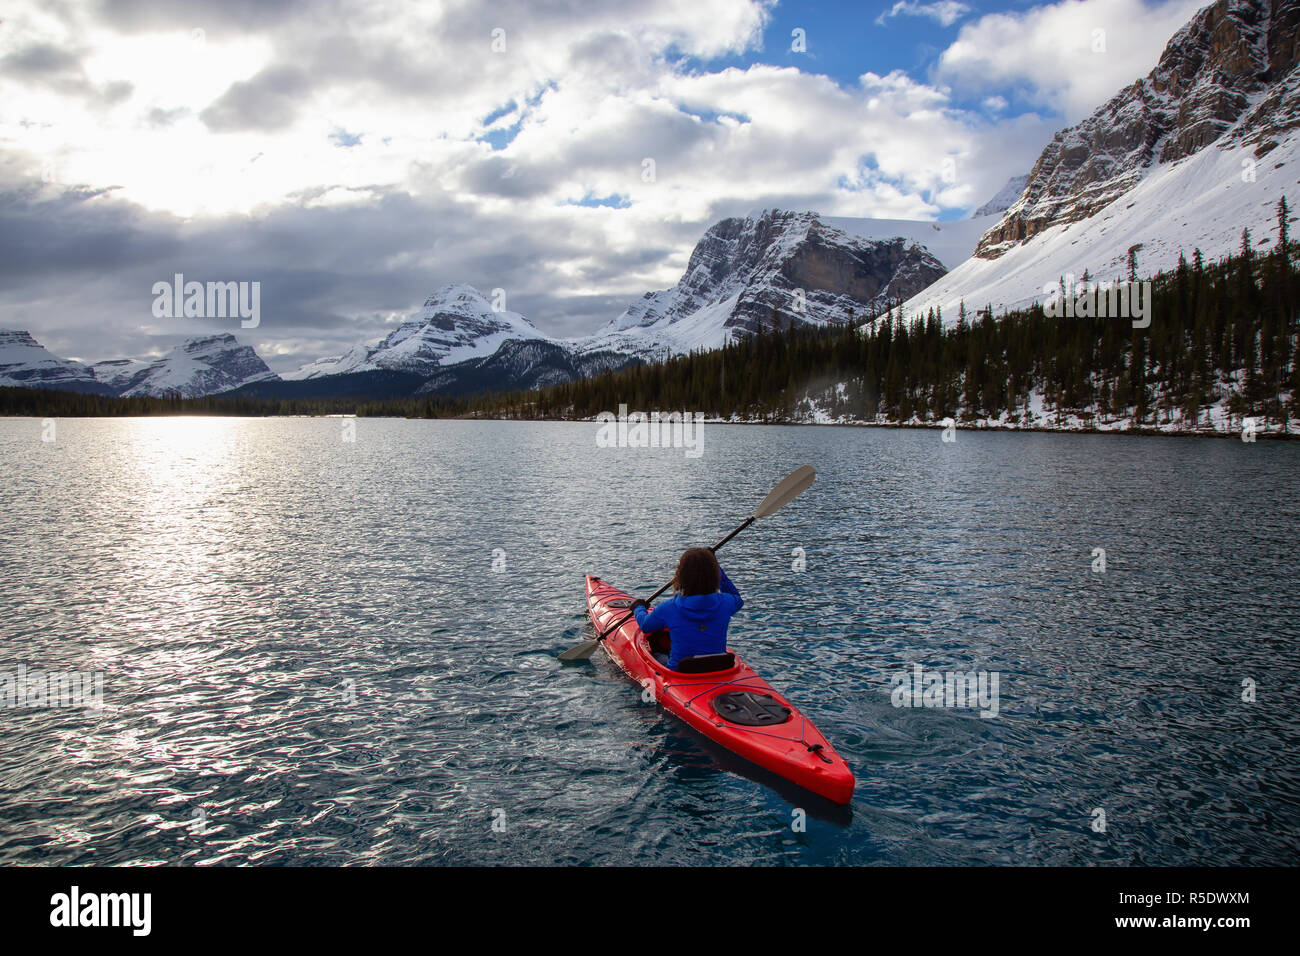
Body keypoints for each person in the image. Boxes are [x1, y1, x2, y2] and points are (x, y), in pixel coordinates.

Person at [631, 547, 743, 670]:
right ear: (715, 575)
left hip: (681, 672)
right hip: (719, 667)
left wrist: (638, 608)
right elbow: (737, 597)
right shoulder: (726, 602)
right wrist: (716, 566)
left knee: (657, 652)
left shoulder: (669, 608)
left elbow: (646, 626)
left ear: (682, 576)